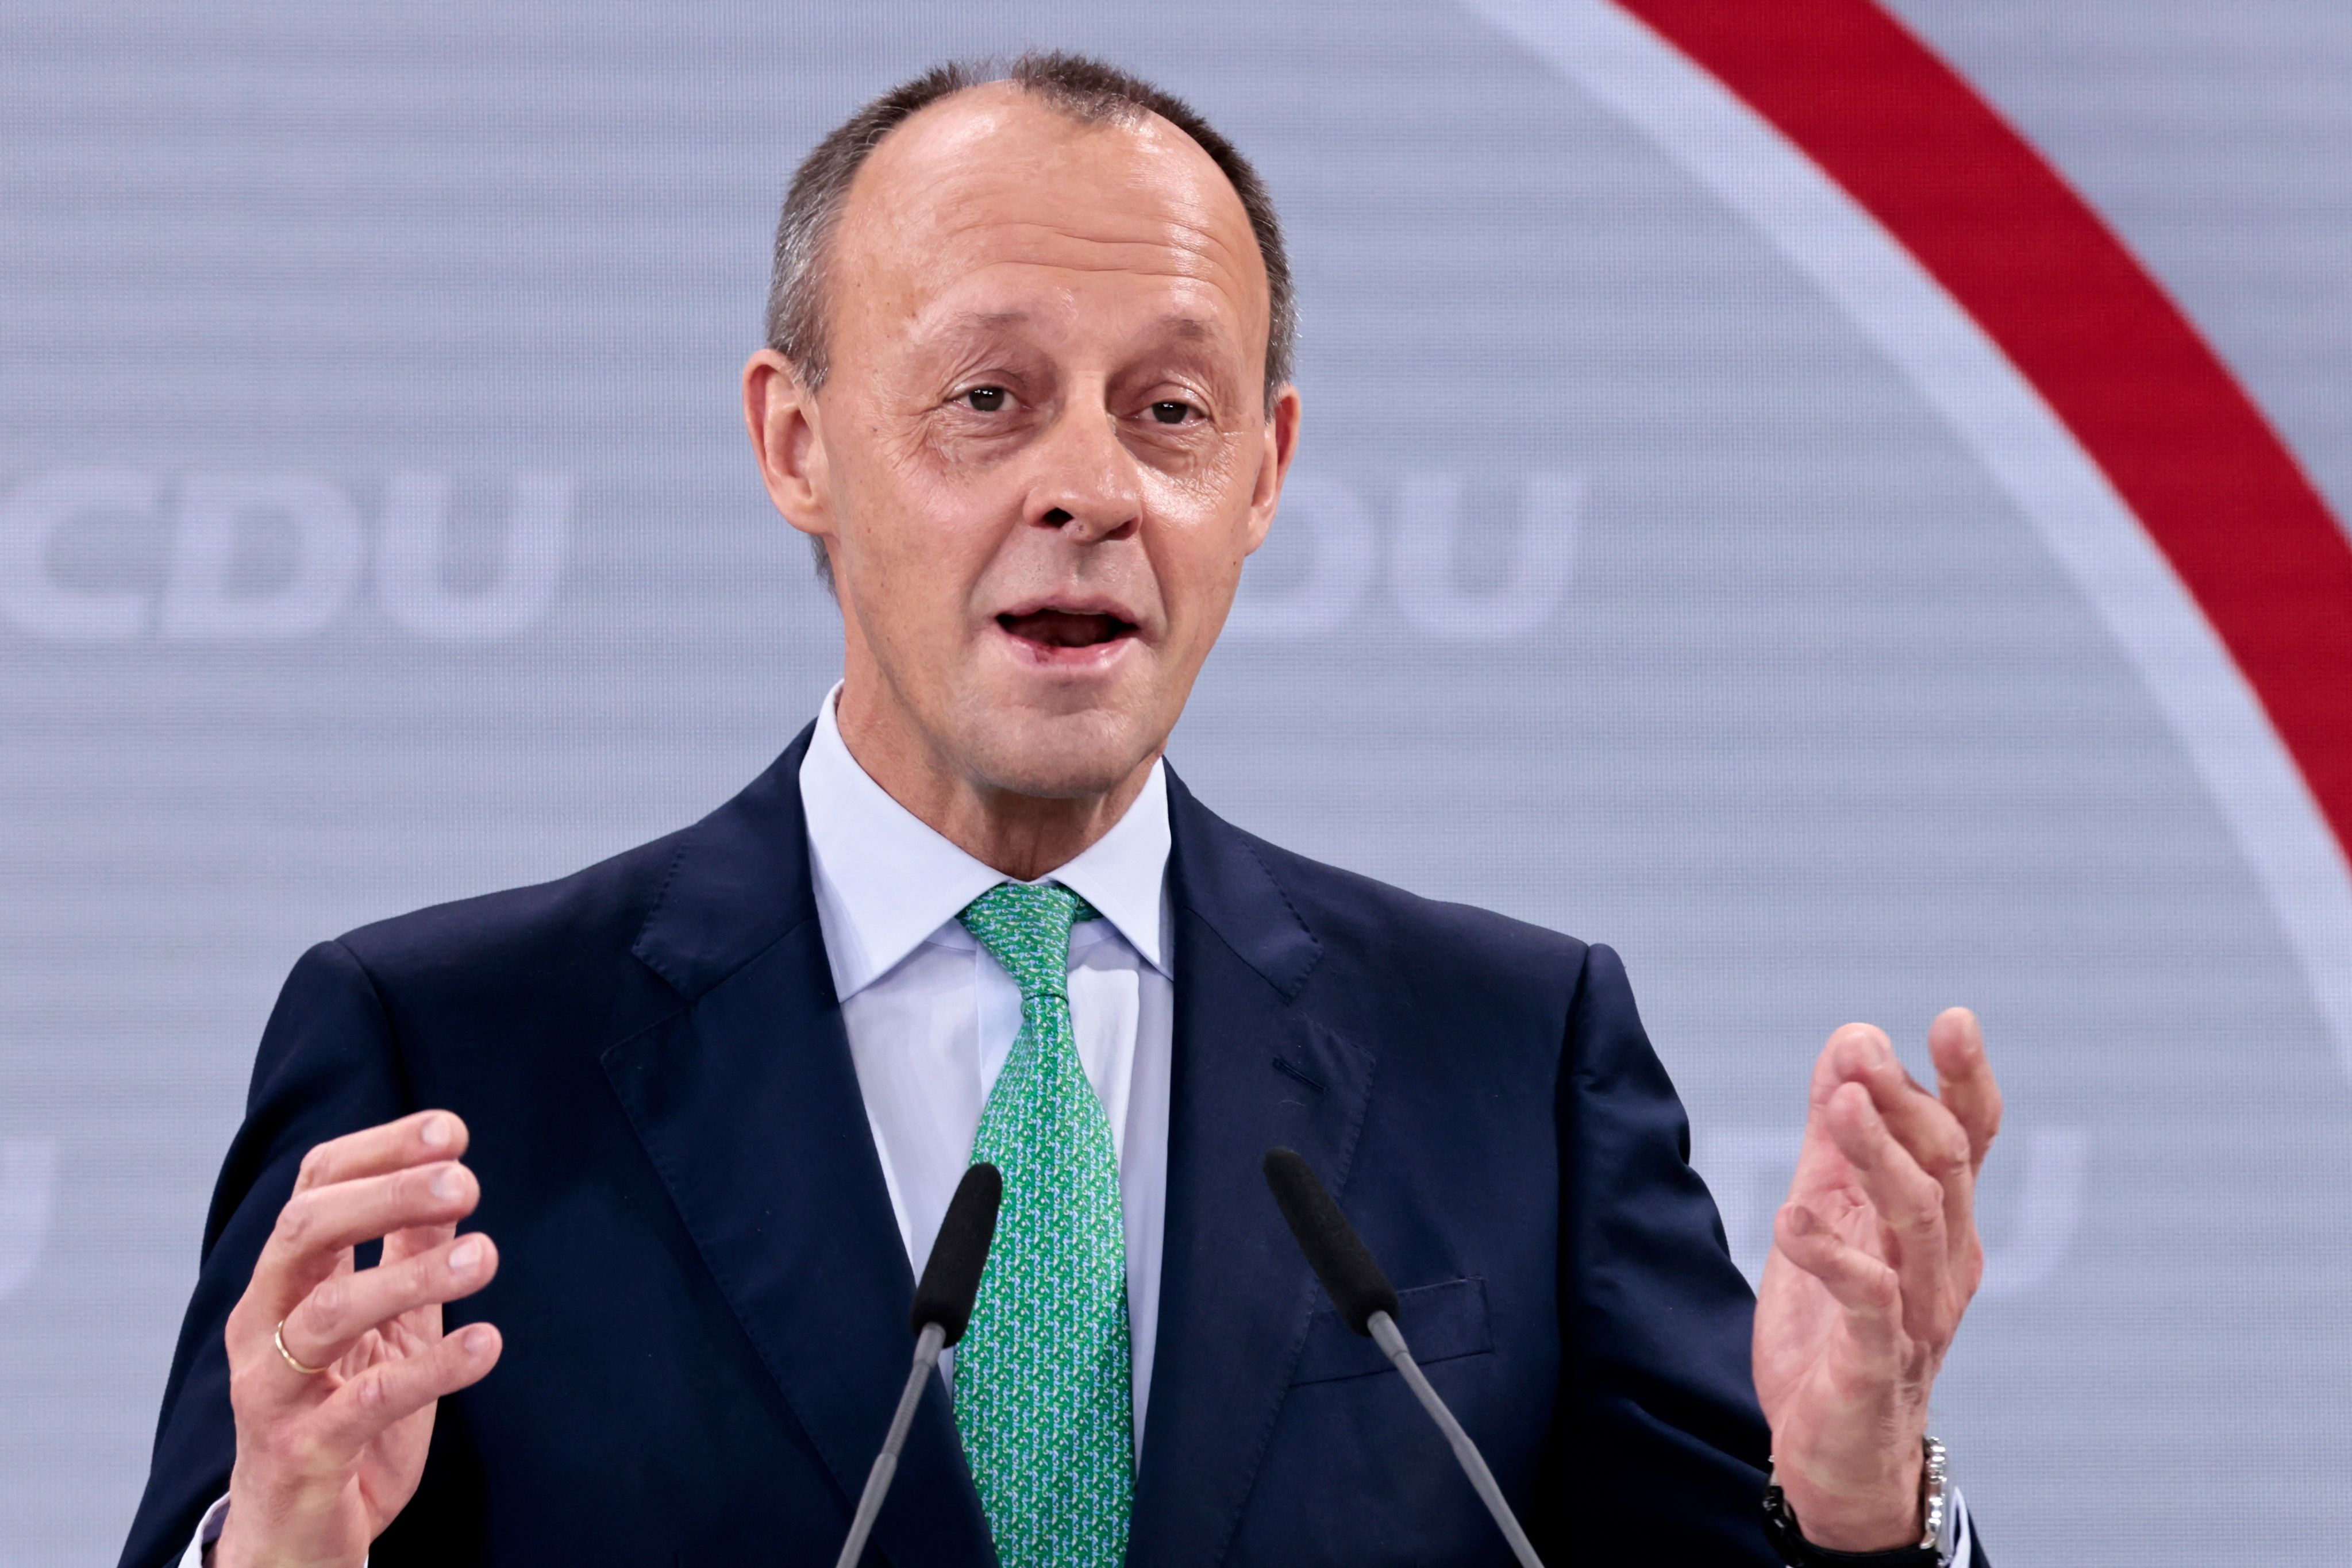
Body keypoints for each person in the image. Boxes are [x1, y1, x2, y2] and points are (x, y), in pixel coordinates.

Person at [121, 52, 2002, 1568]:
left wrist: (1859, 1512)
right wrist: (276, 1549)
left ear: (1263, 472)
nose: (1090, 486)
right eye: (991, 397)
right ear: (796, 441)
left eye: (1170, 411)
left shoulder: (1510, 1061)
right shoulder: (452, 1057)